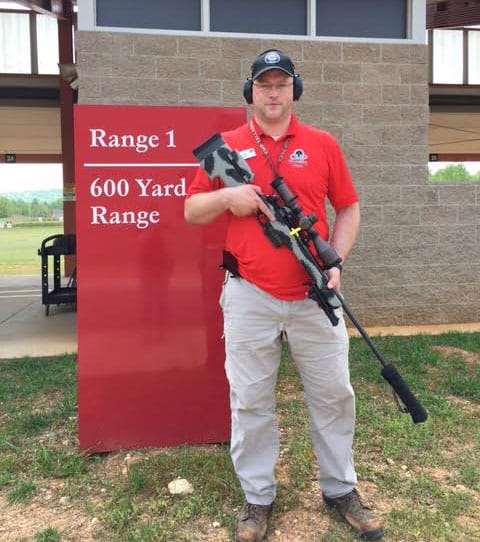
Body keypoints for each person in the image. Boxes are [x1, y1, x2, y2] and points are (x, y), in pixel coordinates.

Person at [185, 49, 383, 542]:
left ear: (295, 90)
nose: (273, 93)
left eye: (281, 84)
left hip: (312, 294)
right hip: (248, 295)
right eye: (263, 84)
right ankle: (257, 498)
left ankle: (340, 489)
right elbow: (192, 210)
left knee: (334, 395)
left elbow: (349, 209)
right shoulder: (226, 147)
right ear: (249, 91)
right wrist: (228, 197)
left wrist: (334, 261)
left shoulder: (322, 144)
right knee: (250, 400)